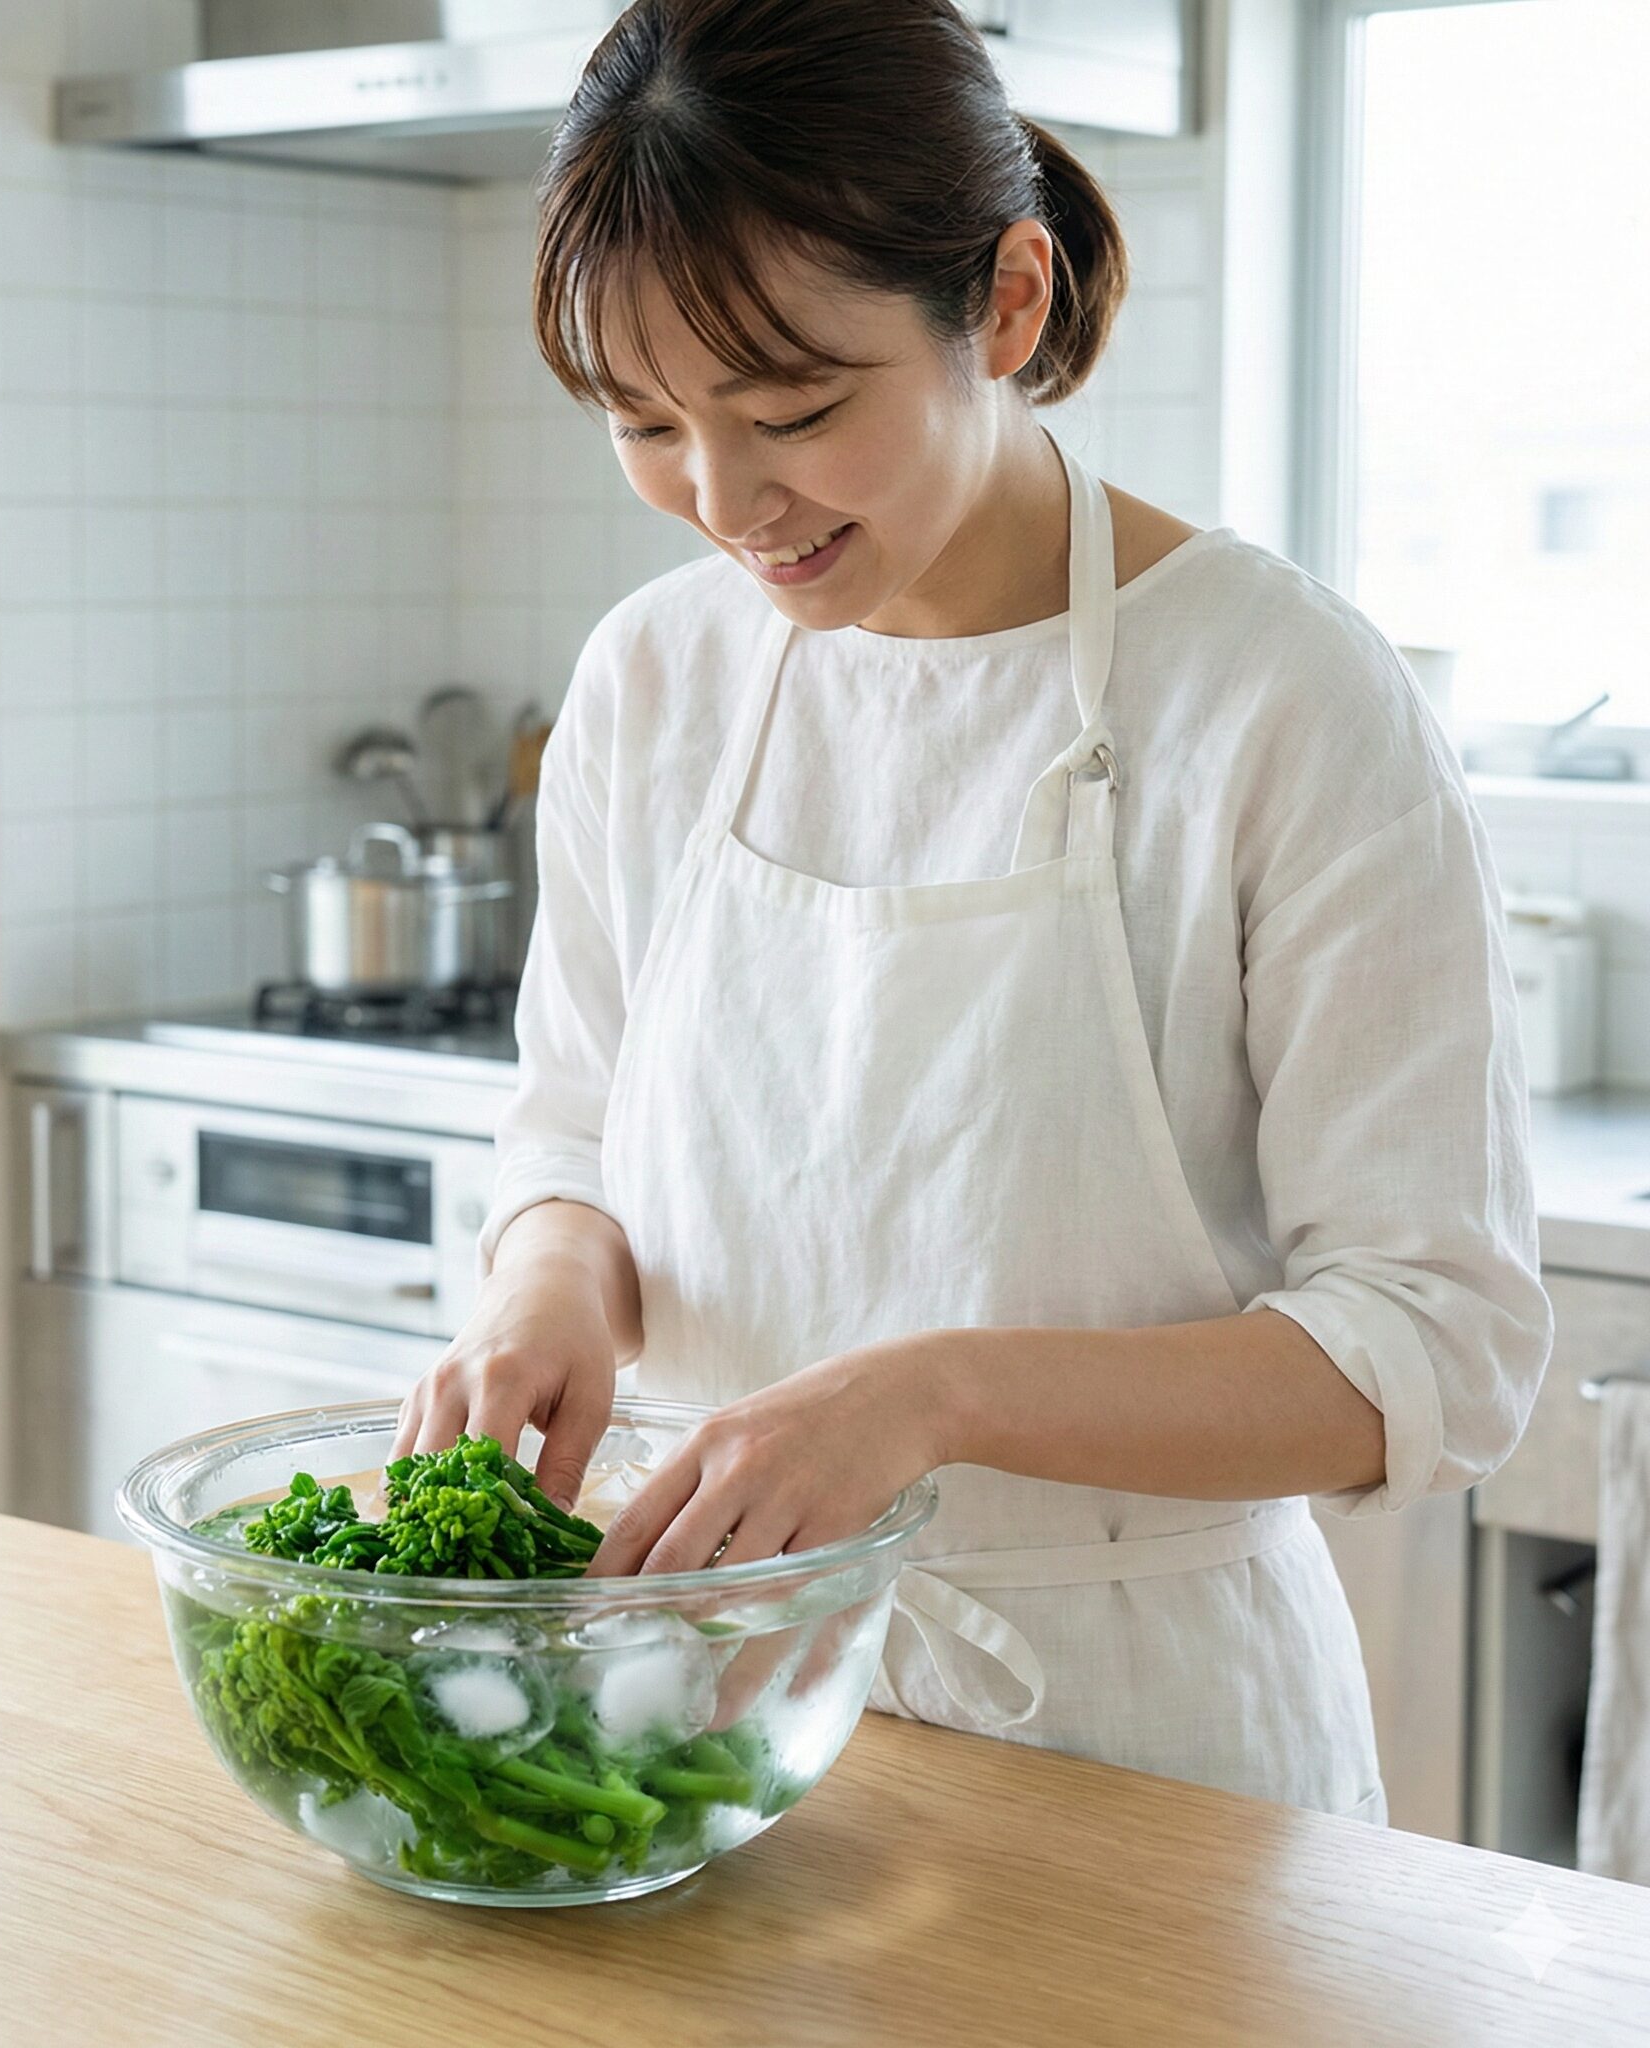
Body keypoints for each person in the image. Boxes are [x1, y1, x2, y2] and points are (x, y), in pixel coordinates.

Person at [390, 0, 1551, 1820]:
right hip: (706, 1718)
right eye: (644, 424)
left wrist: (928, 1400)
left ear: (1006, 305)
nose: (723, 502)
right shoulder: (654, 680)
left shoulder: (1280, 696)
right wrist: (547, 1285)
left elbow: (1435, 1347)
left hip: (1152, 1757)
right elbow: (577, 1128)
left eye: (793, 411)